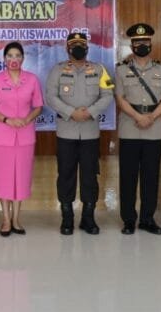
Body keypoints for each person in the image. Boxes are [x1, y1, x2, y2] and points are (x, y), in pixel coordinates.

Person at [45, 32, 114, 235]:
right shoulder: (57, 70)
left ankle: (88, 218)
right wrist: (71, 112)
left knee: (90, 176)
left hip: (90, 133)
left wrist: (89, 112)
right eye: (73, 45)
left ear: (87, 48)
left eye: (81, 45)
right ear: (67, 49)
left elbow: (108, 94)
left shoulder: (99, 70)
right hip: (66, 132)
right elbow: (51, 96)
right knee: (65, 174)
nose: (78, 49)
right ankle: (67, 218)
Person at [115, 23, 161, 235]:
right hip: (130, 127)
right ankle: (129, 220)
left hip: (154, 128)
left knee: (151, 176)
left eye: (145, 41)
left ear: (151, 43)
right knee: (128, 176)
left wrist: (151, 117)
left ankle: (148, 219)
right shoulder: (121, 69)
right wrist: (138, 117)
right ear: (132, 45)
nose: (141, 45)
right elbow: (120, 98)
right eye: (137, 42)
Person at [0, 42, 44, 236]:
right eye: (10, 56)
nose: (14, 59)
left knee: (21, 177)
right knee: (4, 178)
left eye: (17, 55)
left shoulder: (32, 79)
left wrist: (27, 119)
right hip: (1, 136)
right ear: (4, 59)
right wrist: (7, 119)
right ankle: (5, 219)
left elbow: (38, 106)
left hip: (25, 136)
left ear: (23, 58)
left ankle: (16, 219)